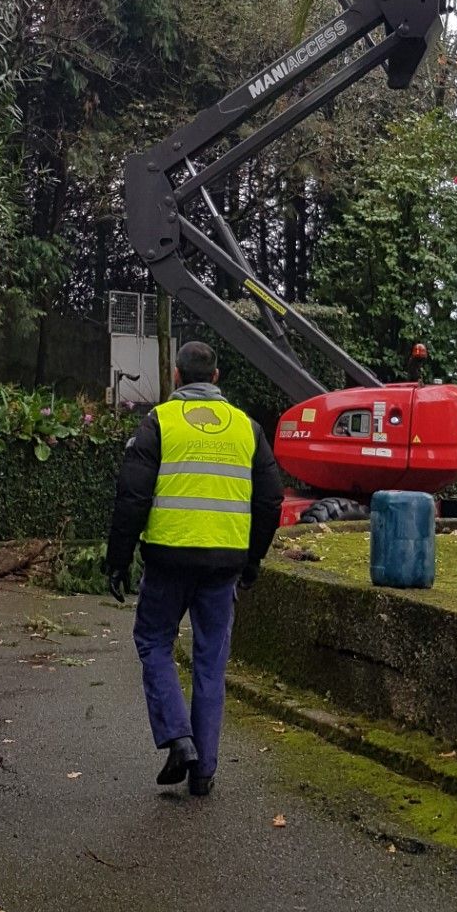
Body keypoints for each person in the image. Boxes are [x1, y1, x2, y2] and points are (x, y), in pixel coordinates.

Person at [104, 339, 284, 797]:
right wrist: (253, 559)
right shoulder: (248, 429)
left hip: (168, 559)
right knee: (210, 661)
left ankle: (179, 738)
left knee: (153, 641)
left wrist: (118, 560)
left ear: (177, 376)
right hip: (224, 565)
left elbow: (132, 496)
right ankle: (203, 772)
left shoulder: (159, 422)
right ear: (217, 378)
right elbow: (270, 500)